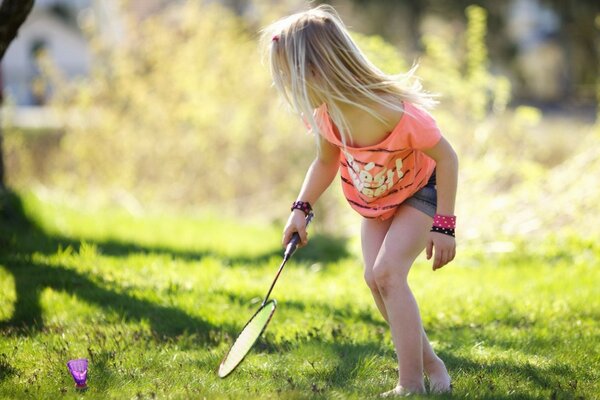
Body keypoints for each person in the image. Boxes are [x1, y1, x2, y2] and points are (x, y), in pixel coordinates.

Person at [262, 5, 458, 397]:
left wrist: (445, 225)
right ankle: (434, 368)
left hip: (421, 192)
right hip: (375, 202)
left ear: (317, 70)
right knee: (375, 279)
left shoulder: (393, 112)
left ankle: (411, 384)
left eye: (290, 75)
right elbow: (324, 162)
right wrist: (301, 209)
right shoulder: (326, 116)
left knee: (388, 273)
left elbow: (447, 158)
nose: (288, 85)